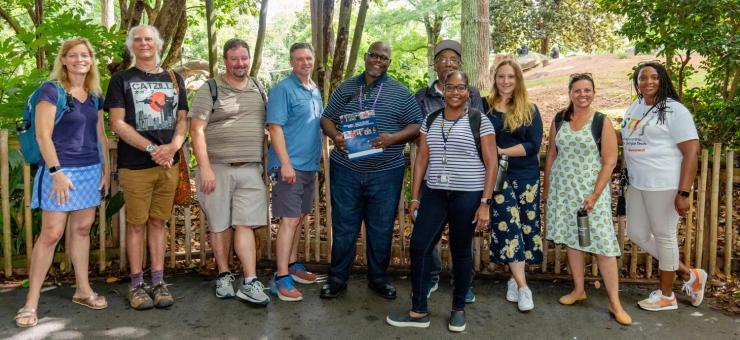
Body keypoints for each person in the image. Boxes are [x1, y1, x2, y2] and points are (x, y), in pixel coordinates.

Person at [386, 70, 497, 332]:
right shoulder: (431, 120)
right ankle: (418, 311)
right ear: (443, 90)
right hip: (435, 192)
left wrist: (485, 203)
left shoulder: (480, 121)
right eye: (451, 87)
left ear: (468, 91)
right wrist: (415, 196)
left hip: (468, 194)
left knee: (460, 250)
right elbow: (422, 159)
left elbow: (492, 164)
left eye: (461, 88)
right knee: (419, 245)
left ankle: (458, 309)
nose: (455, 92)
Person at [14, 38, 109, 328]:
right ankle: (30, 303)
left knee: (81, 230)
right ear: (64, 60)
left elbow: (100, 134)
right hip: (61, 172)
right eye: (74, 55)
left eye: (85, 55)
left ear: (91, 61)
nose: (81, 59)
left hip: (90, 169)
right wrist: (56, 172)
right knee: (51, 234)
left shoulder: (93, 94)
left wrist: (106, 169)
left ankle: (82, 290)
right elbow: (43, 135)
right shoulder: (51, 91)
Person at [319, 41, 422, 300]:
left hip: (386, 172)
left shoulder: (400, 92)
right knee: (344, 228)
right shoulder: (347, 88)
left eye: (384, 58)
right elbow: (326, 118)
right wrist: (336, 136)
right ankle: (337, 279)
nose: (378, 61)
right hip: (347, 170)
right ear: (366, 56)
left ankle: (378, 278)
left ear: (389, 62)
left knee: (382, 228)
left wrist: (393, 138)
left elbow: (417, 125)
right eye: (374, 55)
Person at [106, 25, 188, 310]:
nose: (144, 43)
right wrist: (152, 148)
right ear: (132, 45)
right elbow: (116, 122)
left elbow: (182, 120)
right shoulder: (121, 79)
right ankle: (137, 284)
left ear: (159, 43)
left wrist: (173, 147)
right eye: (138, 39)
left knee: (158, 222)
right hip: (136, 165)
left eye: (149, 39)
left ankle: (158, 281)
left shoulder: (174, 79)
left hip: (168, 164)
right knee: (136, 224)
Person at [543, 73, 632, 326]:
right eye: (577, 90)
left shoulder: (601, 122)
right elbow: (551, 154)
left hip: (590, 194)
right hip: (564, 190)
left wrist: (595, 194)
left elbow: (610, 161)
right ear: (570, 92)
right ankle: (579, 289)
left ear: (594, 92)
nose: (583, 95)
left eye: (587, 90)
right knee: (573, 239)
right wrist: (548, 188)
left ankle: (615, 302)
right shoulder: (560, 119)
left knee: (603, 244)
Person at [189, 38, 271, 305]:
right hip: (217, 168)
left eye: (244, 58)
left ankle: (249, 280)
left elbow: (270, 124)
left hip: (250, 168)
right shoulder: (210, 88)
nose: (240, 63)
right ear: (225, 60)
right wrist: (205, 168)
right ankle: (224, 274)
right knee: (220, 224)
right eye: (234, 59)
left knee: (246, 223)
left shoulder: (258, 86)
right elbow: (196, 130)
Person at [621, 61, 706, 311]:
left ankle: (667, 296)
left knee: (664, 236)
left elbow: (691, 151)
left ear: (663, 80)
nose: (648, 81)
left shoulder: (674, 110)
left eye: (654, 77)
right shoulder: (635, 107)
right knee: (636, 233)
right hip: (638, 183)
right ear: (636, 82)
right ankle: (689, 274)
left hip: (665, 184)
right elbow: (629, 138)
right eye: (642, 77)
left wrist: (683, 192)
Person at [414, 39, 483, 303]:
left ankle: (462, 284)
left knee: (461, 237)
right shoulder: (422, 96)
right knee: (426, 234)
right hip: (432, 179)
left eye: (453, 58)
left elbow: (479, 131)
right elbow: (416, 131)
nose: (448, 63)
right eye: (442, 58)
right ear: (435, 65)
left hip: (465, 179)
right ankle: (430, 277)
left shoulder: (472, 93)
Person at [484, 60, 543, 311]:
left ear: (518, 79)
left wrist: (501, 150)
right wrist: (494, 155)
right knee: (508, 226)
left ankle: (512, 278)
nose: (506, 81)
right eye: (501, 76)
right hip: (498, 177)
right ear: (494, 79)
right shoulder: (485, 108)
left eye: (511, 77)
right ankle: (523, 287)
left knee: (526, 229)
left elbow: (533, 146)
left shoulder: (530, 109)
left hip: (527, 176)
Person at [266, 43, 322, 301]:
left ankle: (292, 264)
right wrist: (285, 163)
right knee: (288, 221)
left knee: (298, 217)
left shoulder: (314, 90)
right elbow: (275, 128)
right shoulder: (283, 89)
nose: (305, 62)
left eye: (308, 58)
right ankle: (281, 277)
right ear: (291, 63)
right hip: (290, 166)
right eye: (299, 59)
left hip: (309, 166)